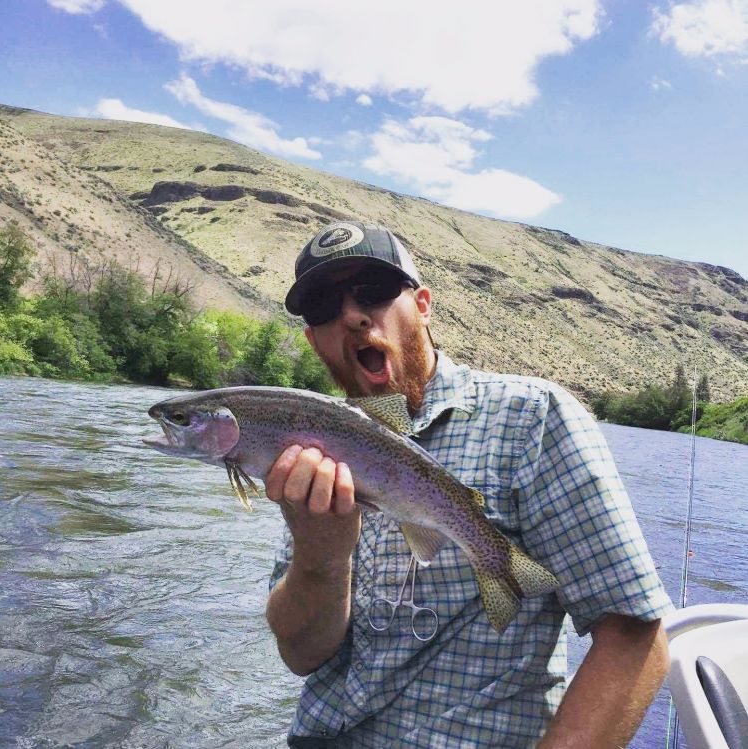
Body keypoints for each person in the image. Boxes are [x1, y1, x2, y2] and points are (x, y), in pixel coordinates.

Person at [265, 220, 673, 748]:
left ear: (424, 305)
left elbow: (635, 637)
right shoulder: (313, 441)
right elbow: (302, 656)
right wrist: (320, 558)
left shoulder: (532, 418)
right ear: (311, 338)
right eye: (323, 305)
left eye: (374, 290)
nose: (351, 314)